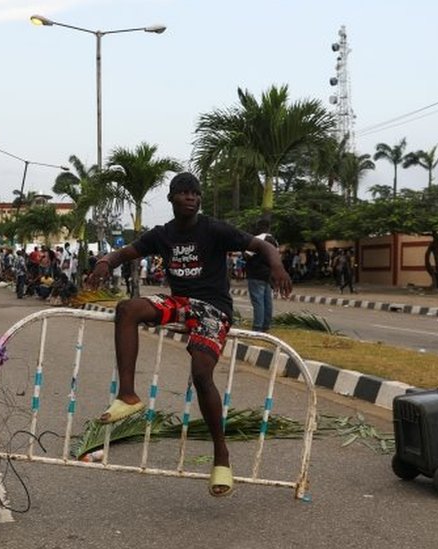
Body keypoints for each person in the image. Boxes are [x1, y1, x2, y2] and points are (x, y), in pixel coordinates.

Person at [85, 172, 292, 498]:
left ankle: (221, 455)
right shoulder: (162, 235)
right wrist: (105, 262)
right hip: (180, 303)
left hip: (213, 308)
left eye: (195, 193)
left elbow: (261, 244)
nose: (191, 198)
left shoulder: (214, 229)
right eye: (183, 193)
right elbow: (126, 253)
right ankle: (128, 396)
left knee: (201, 373)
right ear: (171, 198)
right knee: (128, 309)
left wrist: (277, 266)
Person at [244, 218, 279, 332]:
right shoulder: (274, 241)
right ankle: (266, 325)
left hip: (255, 273)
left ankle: (257, 327)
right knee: (267, 301)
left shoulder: (258, 239)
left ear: (260, 227)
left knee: (258, 301)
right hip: (267, 274)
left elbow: (247, 255)